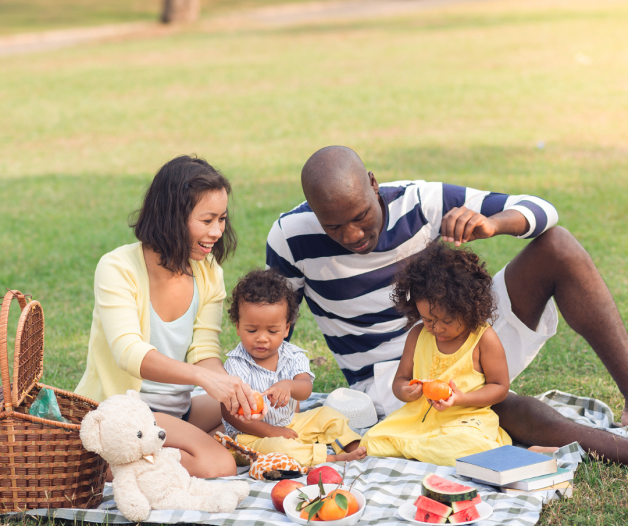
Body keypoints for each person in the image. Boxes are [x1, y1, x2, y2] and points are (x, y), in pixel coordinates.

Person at [267, 145, 628, 464]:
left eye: (361, 216)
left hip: (459, 332)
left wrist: (493, 223)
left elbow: (543, 210)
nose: (352, 235)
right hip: (392, 382)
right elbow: (276, 331)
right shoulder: (290, 237)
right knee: (491, 410)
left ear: (373, 184)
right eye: (333, 226)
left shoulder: (419, 202)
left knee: (558, 246)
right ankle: (618, 451)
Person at [76, 155, 262, 479]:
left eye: (222, 219)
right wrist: (202, 379)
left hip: (175, 409)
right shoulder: (117, 268)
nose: (218, 231)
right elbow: (128, 352)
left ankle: (145, 455)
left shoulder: (209, 273)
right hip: (125, 413)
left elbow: (204, 351)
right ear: (172, 217)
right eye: (207, 220)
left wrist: (227, 385)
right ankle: (104, 463)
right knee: (219, 464)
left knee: (242, 417)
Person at [361, 241, 555, 466]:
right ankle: (424, 448)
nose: (437, 328)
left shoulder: (483, 338)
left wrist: (461, 399)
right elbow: (400, 380)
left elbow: (499, 388)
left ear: (469, 308)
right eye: (428, 319)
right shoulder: (418, 335)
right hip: (418, 420)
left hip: (465, 420)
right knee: (371, 441)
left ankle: (522, 453)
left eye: (447, 320)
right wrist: (406, 391)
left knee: (467, 446)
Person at [220, 268, 367, 466]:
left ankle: (352, 445)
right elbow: (228, 412)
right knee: (280, 450)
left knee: (328, 415)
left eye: (272, 331)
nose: (262, 338)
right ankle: (330, 458)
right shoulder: (236, 365)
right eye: (251, 330)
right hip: (252, 437)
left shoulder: (293, 355)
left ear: (287, 328)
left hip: (292, 423)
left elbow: (305, 389)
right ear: (238, 326)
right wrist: (272, 432)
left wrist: (289, 386)